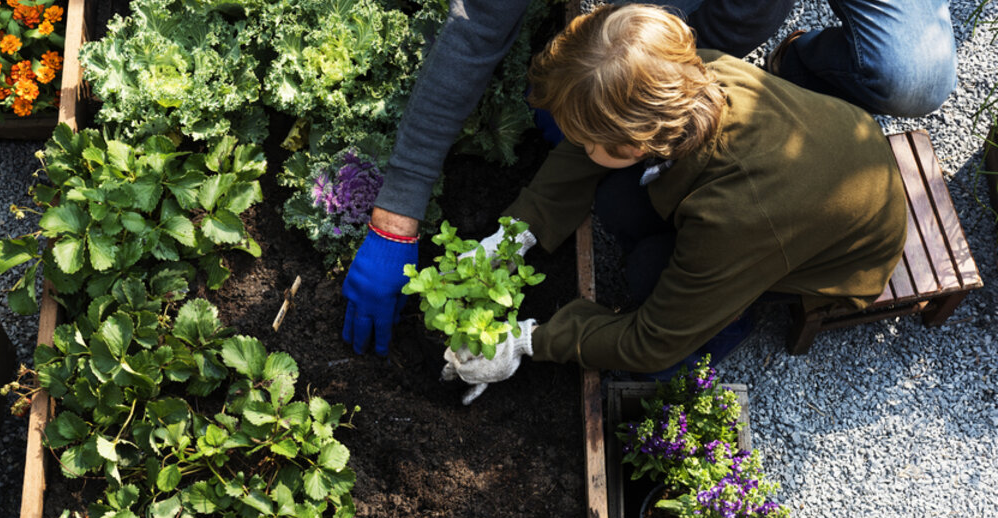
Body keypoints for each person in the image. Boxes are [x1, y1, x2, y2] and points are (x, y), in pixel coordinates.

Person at [340, 0, 954, 357]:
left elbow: (649, 340)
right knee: (616, 207)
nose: (578, 146)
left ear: (636, 142)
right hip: (803, 166)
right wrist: (519, 232)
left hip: (828, 249)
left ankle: (733, 313)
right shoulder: (692, 73)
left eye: (588, 137)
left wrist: (526, 341)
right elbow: (589, 141)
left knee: (649, 287)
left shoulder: (741, 213)